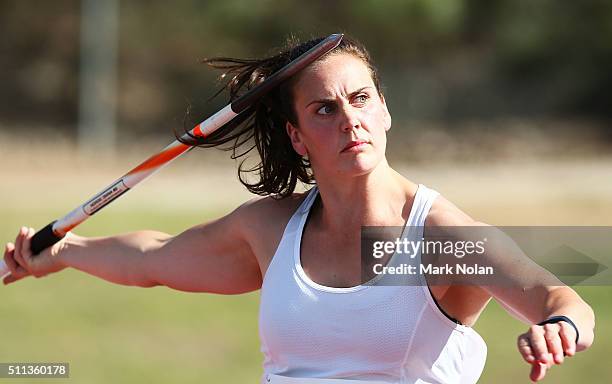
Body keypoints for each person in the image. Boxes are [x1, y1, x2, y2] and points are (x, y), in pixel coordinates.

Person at [3, 35, 595, 383]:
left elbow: (559, 298)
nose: (349, 119)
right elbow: (156, 257)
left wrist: (559, 328)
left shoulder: (438, 237)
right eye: (324, 110)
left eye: (360, 99)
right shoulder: (271, 229)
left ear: (385, 110)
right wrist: (62, 253)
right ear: (296, 136)